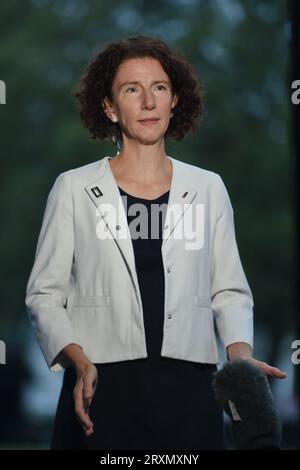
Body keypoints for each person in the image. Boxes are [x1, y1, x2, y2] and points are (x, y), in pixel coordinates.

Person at [25, 35, 286, 450]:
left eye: (159, 88)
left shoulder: (208, 188)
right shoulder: (73, 189)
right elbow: (43, 294)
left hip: (192, 389)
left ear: (174, 100)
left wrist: (239, 359)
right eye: (132, 89)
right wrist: (77, 361)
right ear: (109, 107)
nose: (148, 102)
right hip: (99, 387)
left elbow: (230, 291)